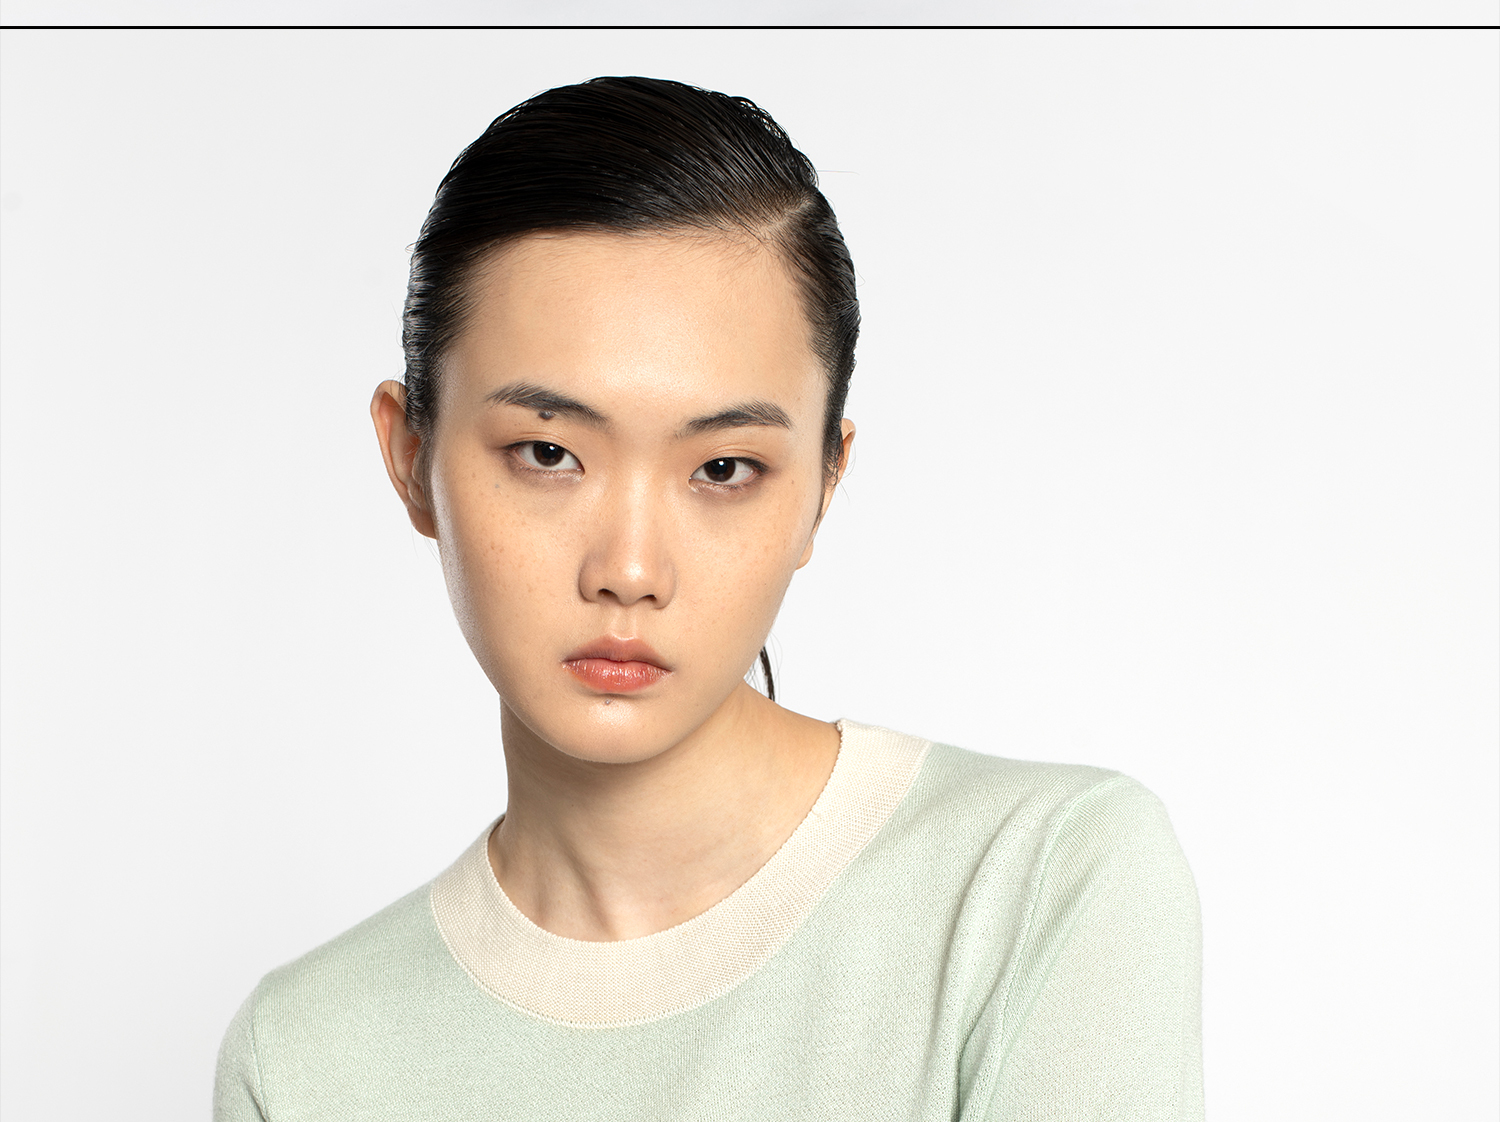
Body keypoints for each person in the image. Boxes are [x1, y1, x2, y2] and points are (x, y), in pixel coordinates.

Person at [214, 76, 1203, 1120]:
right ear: (410, 457)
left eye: (724, 469)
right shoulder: (306, 1056)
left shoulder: (1038, 882)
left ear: (823, 485)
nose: (630, 569)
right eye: (548, 453)